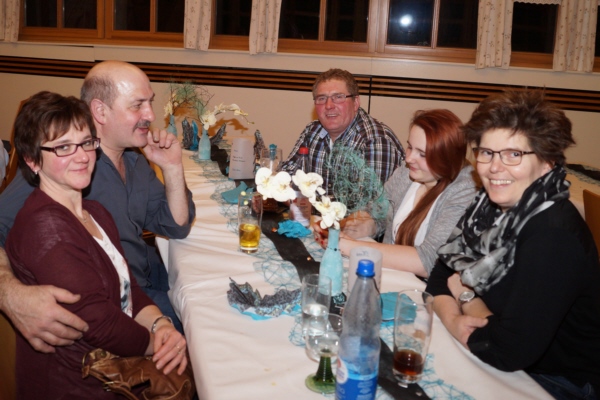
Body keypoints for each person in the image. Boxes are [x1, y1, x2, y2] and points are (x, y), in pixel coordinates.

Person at [0, 60, 195, 352]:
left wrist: (172, 168)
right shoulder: (61, 169)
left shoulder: (135, 160)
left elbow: (175, 226)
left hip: (140, 283)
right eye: (137, 105)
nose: (151, 115)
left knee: (210, 297)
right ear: (100, 111)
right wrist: (10, 295)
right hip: (113, 304)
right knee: (203, 335)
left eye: (150, 102)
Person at [426, 91, 600, 399]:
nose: (494, 168)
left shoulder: (553, 235)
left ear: (547, 162)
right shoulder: (487, 205)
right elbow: (440, 278)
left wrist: (465, 295)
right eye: (487, 152)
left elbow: (507, 350)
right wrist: (455, 319)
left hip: (557, 381)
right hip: (497, 353)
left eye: (513, 154)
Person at [319, 109, 477, 278]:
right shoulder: (407, 172)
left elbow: (428, 261)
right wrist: (349, 227)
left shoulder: (465, 190)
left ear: (447, 157)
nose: (409, 158)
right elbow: (379, 213)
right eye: (410, 147)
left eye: (422, 154)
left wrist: (349, 246)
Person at [280, 68, 404, 196]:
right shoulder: (312, 131)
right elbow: (285, 177)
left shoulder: (375, 140)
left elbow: (370, 203)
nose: (329, 105)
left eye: (338, 97)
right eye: (322, 98)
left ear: (355, 102)